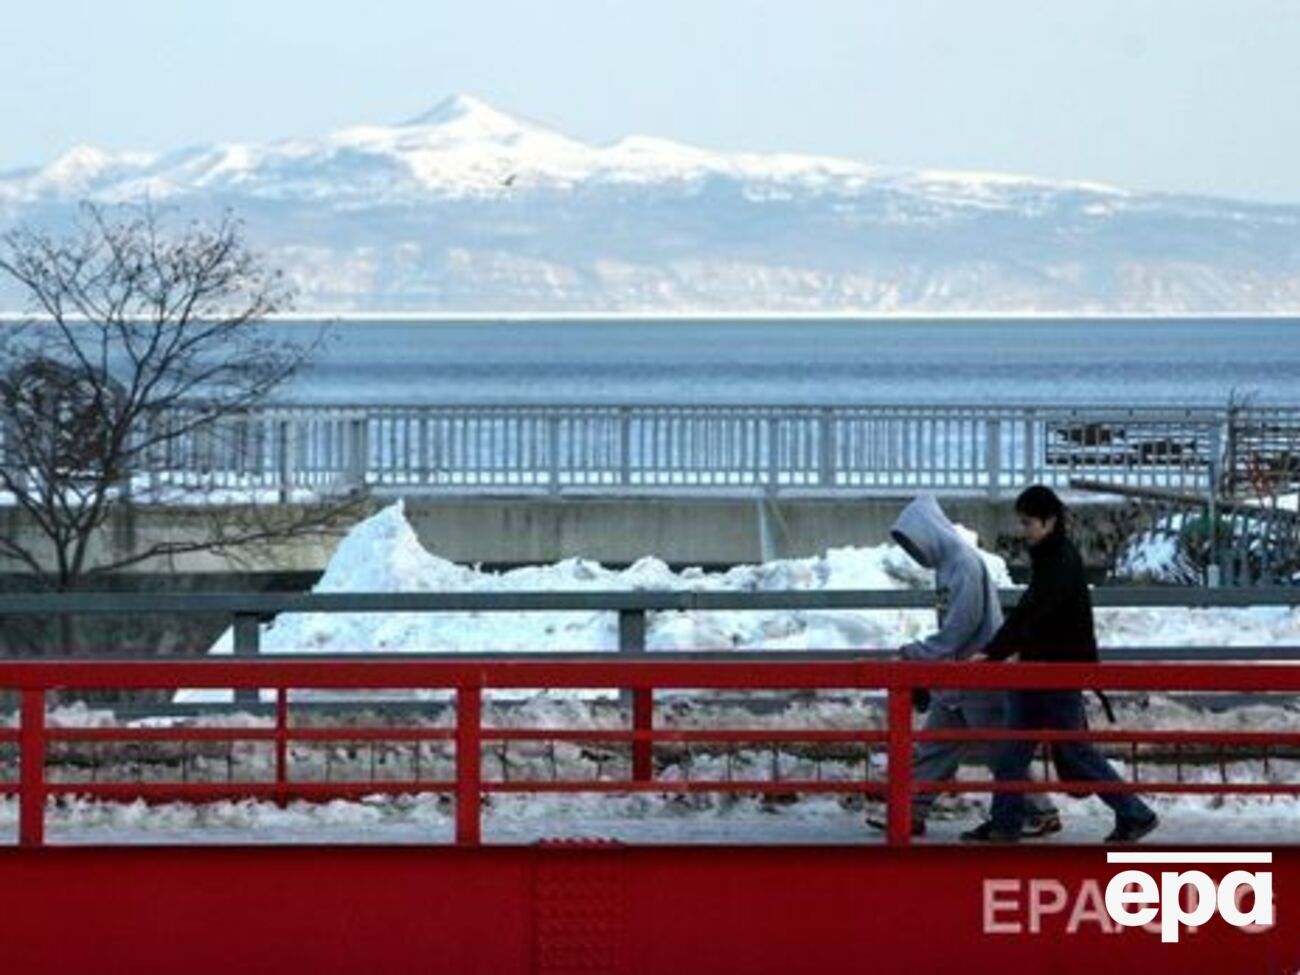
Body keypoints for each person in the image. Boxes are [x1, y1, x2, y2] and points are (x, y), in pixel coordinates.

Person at [961, 485, 1159, 844]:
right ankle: (1005, 823)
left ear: (1048, 521)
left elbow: (1033, 614)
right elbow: (1031, 614)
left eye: (1028, 523)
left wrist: (994, 652)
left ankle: (1135, 812)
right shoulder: (1054, 556)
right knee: (1017, 749)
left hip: (1054, 671)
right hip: (1042, 669)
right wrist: (999, 651)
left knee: (1064, 749)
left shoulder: (1058, 560)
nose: (1024, 531)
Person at [867, 494, 1060, 838]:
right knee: (935, 745)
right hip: (959, 676)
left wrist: (920, 652)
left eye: (915, 542)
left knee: (998, 750)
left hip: (977, 674)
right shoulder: (950, 564)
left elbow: (962, 624)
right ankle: (910, 811)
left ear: (928, 533)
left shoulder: (962, 564)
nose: (915, 551)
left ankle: (1040, 810)